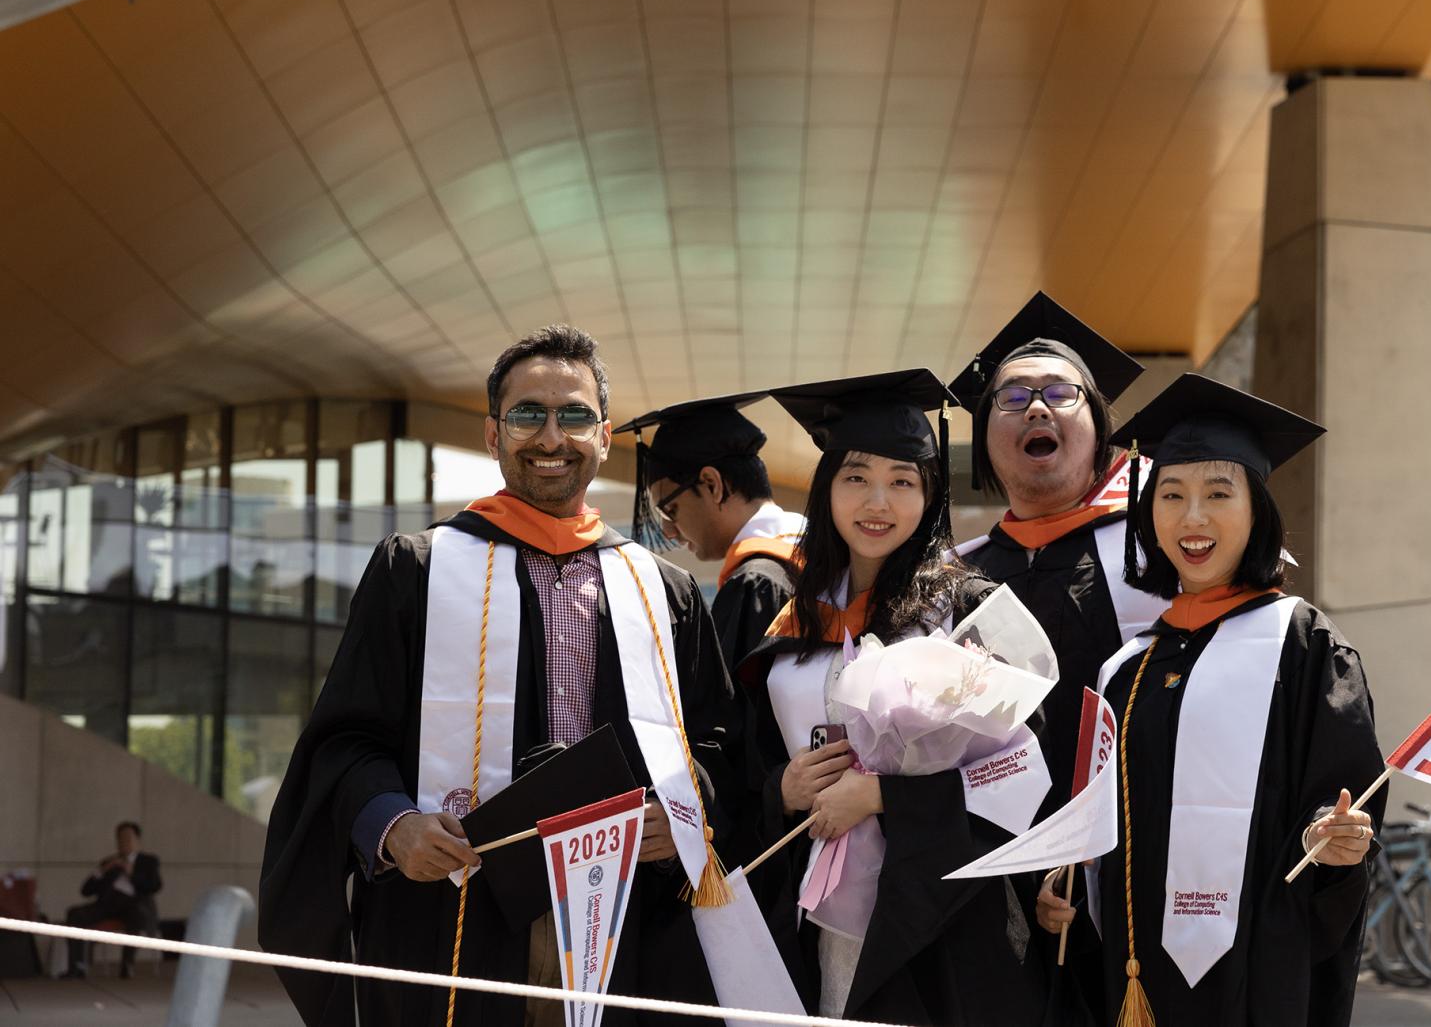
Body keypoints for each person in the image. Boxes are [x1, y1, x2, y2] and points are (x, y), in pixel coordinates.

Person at [260, 325, 738, 1027]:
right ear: (492, 434)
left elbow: (719, 744)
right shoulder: (415, 571)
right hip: (456, 919)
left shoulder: (662, 590)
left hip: (620, 917)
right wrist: (393, 825)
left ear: (604, 436)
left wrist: (685, 816)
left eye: (573, 415)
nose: (551, 436)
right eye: (527, 414)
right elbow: (344, 741)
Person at [1035, 373, 1383, 1027]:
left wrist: (1333, 843)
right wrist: (1070, 892)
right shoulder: (1126, 668)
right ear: (1149, 514)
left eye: (1218, 494)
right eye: (1172, 494)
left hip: (1255, 977)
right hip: (1135, 980)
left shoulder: (1303, 645)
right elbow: (1100, 834)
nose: (1192, 518)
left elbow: (1342, 801)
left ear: (1257, 512)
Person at [737, 369, 1048, 1024]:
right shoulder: (797, 621)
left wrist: (885, 797)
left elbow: (1022, 772)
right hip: (824, 927)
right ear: (827, 492)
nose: (876, 500)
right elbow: (748, 766)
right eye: (855, 477)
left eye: (902, 481)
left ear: (930, 495)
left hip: (941, 930)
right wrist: (783, 790)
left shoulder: (971, 609)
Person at [948, 292, 1165, 793]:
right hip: (982, 854)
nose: (1037, 408)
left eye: (1061, 394)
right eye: (1014, 398)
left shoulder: (1156, 559)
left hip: (1124, 849)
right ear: (983, 438)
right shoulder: (949, 579)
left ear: (1099, 430)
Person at [626, 392, 804, 672]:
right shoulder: (812, 546)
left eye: (670, 509)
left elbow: (728, 713)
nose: (668, 531)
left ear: (712, 484)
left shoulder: (756, 584)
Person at [60, 821, 161, 978]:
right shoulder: (109, 862)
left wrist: (131, 873)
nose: (124, 842)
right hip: (107, 905)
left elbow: (154, 886)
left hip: (133, 905)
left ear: (137, 840)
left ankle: (127, 965)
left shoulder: (149, 861)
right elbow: (85, 891)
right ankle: (77, 966)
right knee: (74, 914)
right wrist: (102, 871)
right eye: (120, 838)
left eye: (128, 838)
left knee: (137, 915)